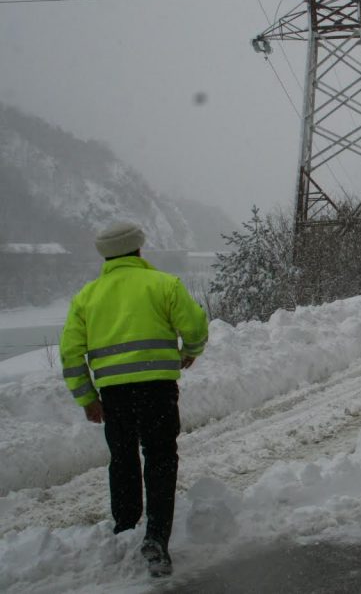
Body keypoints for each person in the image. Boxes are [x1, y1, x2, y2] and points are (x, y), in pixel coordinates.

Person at [60, 221, 208, 578]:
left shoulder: (87, 297)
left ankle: (125, 528)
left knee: (122, 458)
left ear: (106, 256)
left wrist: (87, 398)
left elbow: (70, 353)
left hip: (114, 395)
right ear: (139, 250)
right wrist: (190, 350)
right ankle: (156, 538)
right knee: (160, 458)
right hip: (157, 389)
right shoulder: (163, 284)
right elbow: (195, 326)